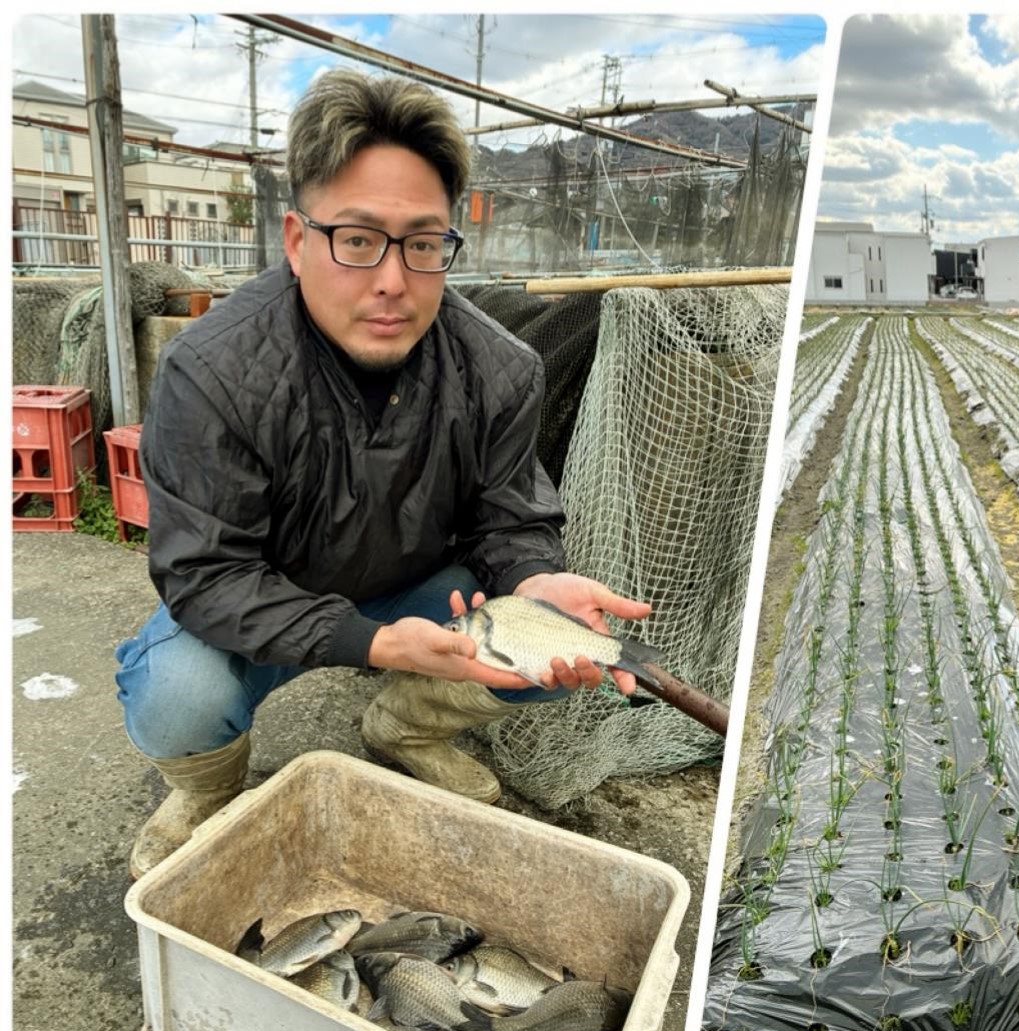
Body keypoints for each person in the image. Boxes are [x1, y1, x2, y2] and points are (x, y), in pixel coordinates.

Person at [115, 70, 648, 879]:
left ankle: (404, 725)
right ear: (298, 241)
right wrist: (367, 641)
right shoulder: (211, 372)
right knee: (177, 694)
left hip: (417, 596)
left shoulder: (499, 368)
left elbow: (510, 518)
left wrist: (538, 580)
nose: (393, 280)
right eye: (357, 241)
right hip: (266, 603)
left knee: (556, 648)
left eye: (423, 243)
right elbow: (205, 573)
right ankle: (206, 786)